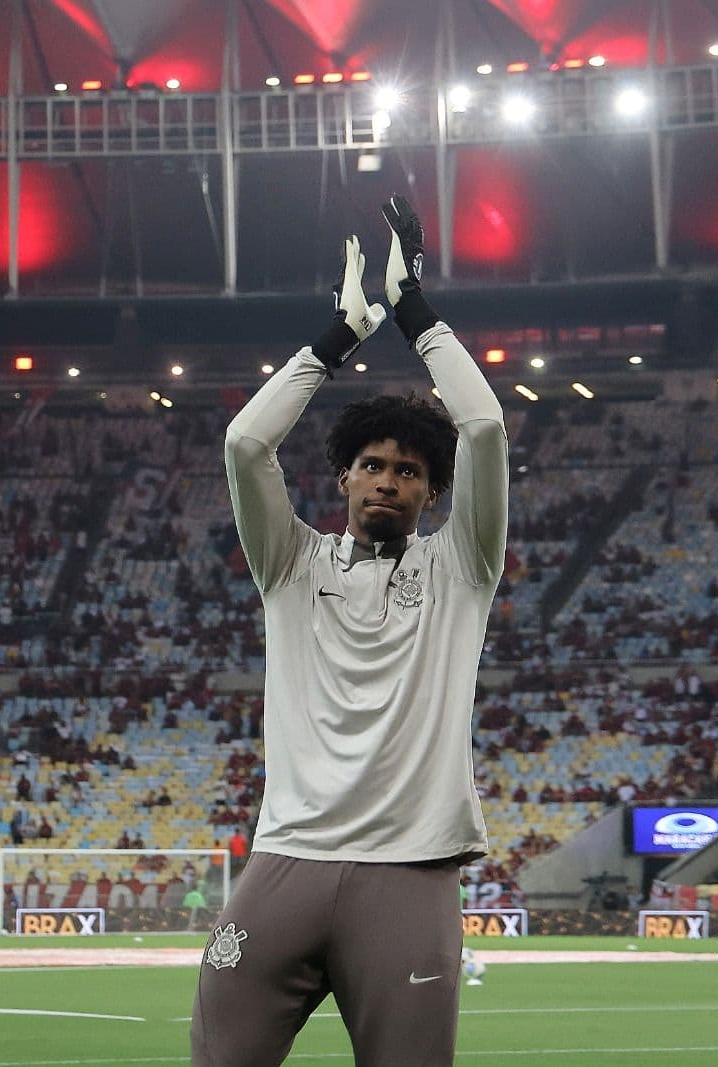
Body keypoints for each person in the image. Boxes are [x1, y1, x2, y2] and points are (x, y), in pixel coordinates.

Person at [193, 196, 508, 1067]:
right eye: (372, 464)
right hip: (285, 864)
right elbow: (243, 445)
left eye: (409, 472)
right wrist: (336, 340)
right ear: (343, 475)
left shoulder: (462, 567)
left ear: (431, 494)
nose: (388, 481)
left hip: (410, 875)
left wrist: (419, 318)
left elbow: (482, 426)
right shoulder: (289, 563)